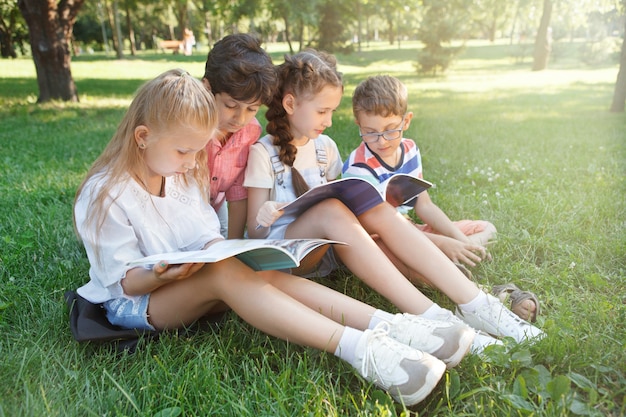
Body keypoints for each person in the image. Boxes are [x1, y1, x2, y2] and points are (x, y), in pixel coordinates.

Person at [72, 68, 479, 407]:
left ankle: (395, 327)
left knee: (248, 268)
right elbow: (124, 281)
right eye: (183, 152)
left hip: (188, 274)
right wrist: (164, 274)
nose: (192, 163)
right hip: (137, 300)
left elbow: (204, 235)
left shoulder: (179, 175)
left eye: (198, 152)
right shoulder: (106, 194)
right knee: (224, 274)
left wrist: (232, 249)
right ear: (143, 137)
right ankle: (364, 351)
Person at [244, 50, 545, 350]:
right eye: (323, 111)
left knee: (372, 206)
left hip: (326, 250)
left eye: (333, 112)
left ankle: (476, 304)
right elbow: (254, 235)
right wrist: (266, 212)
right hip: (284, 256)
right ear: (290, 104)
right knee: (332, 210)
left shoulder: (326, 147)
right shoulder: (263, 152)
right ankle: (435, 316)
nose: (330, 121)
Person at [342, 75, 536, 322]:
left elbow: (424, 205)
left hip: (414, 230)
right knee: (413, 266)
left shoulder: (410, 150)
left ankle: (461, 255)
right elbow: (370, 231)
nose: (381, 141)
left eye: (391, 130)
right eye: (370, 133)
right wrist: (442, 245)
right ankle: (494, 295)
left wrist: (460, 241)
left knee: (487, 229)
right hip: (380, 241)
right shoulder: (359, 168)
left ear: (406, 120)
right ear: (359, 125)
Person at [201, 33, 277, 238]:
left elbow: (237, 194)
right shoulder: (188, 126)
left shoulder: (250, 132)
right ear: (207, 88)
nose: (240, 118)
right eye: (230, 105)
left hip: (215, 209)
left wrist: (233, 246)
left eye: (251, 109)